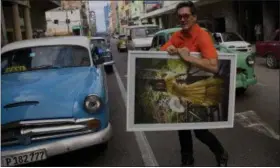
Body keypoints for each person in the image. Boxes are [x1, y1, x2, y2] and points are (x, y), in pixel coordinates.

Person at [160, 1, 228, 167]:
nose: (183, 19)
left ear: (194, 17)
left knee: (200, 130)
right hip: (181, 88)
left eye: (186, 16)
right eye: (180, 16)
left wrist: (189, 57)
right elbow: (161, 52)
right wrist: (170, 49)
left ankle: (221, 153)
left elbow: (213, 66)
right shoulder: (177, 36)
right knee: (182, 127)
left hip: (199, 89)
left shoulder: (202, 36)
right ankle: (187, 160)